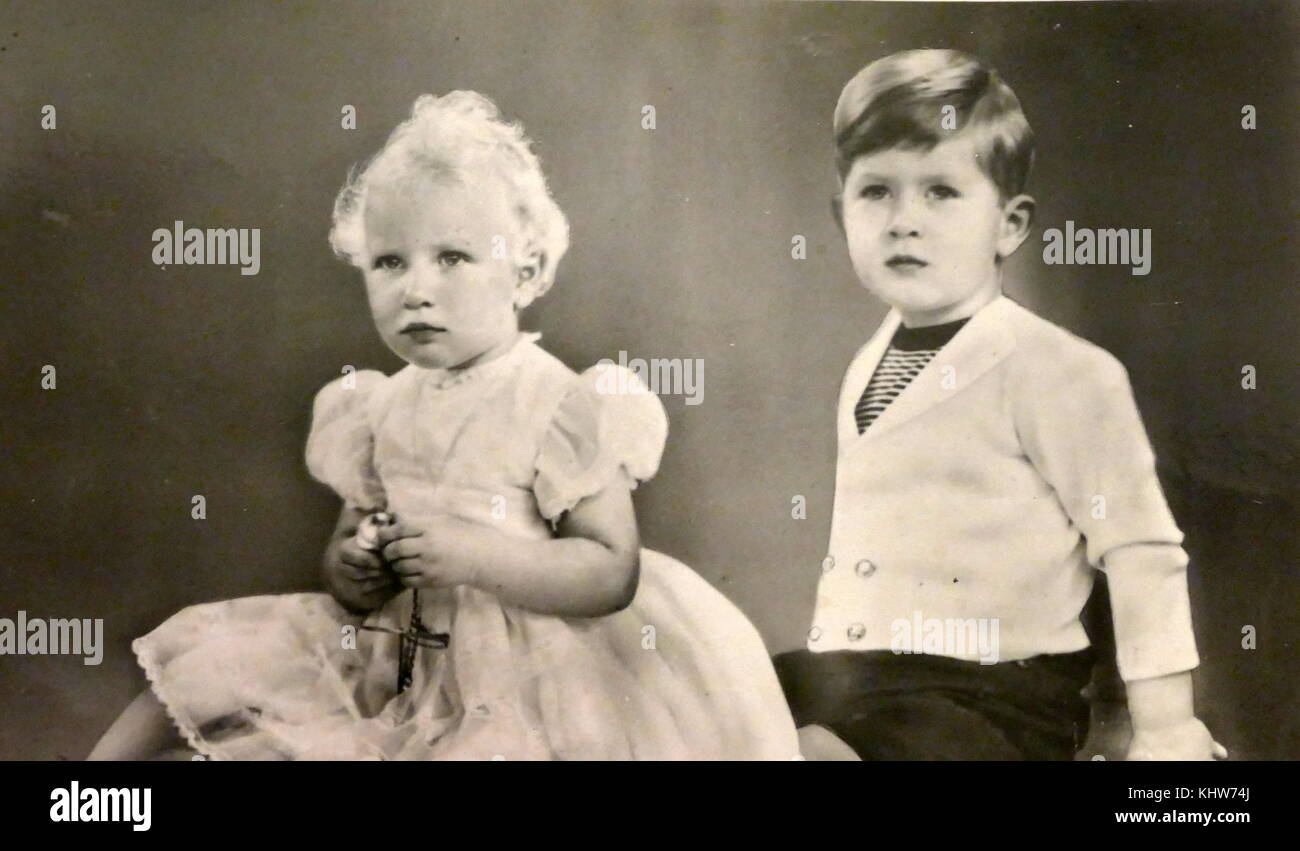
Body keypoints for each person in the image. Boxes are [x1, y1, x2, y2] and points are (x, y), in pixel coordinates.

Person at [88, 90, 798, 761]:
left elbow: (610, 568)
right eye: (390, 262)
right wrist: (357, 565)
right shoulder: (374, 405)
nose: (416, 289)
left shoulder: (560, 402)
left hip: (530, 661)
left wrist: (475, 556)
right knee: (200, 667)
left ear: (526, 272)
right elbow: (345, 559)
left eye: (452, 257)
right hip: (399, 650)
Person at [776, 49, 1226, 761]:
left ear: (1009, 225)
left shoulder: (1060, 370)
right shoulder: (872, 361)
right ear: (841, 216)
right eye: (876, 192)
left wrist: (1166, 725)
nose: (903, 220)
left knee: (809, 752)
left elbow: (1139, 549)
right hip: (865, 677)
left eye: (940, 192)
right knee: (709, 701)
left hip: (993, 695)